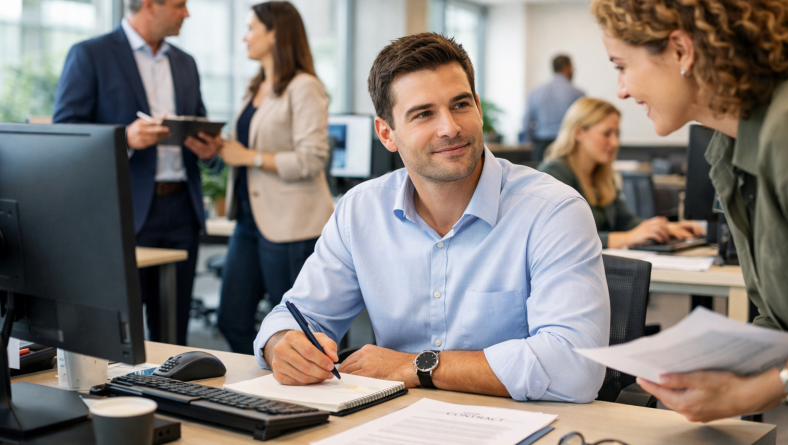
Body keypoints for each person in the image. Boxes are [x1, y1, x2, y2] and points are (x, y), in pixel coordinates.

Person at [256, 33, 610, 403]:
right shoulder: (360, 210)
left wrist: (415, 367)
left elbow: (575, 369)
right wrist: (282, 346)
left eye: (460, 105)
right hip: (391, 425)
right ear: (386, 134)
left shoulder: (551, 210)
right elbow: (296, 316)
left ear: (478, 107)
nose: (450, 127)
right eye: (424, 113)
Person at [592, 0, 788, 422]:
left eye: (621, 66)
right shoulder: (727, 144)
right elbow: (782, 318)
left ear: (681, 51)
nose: (622, 90)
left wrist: (756, 392)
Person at [52, 0, 221, 345]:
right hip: (124, 212)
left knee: (174, 330)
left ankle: (171, 397)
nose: (186, 14)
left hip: (182, 211)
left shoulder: (185, 63)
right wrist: (125, 138)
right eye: (178, 5)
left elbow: (199, 124)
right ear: (148, 5)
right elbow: (66, 135)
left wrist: (207, 148)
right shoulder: (90, 54)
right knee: (120, 332)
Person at [216, 1, 333, 355]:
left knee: (299, 332)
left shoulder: (304, 86)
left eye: (251, 28)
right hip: (249, 220)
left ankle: (300, 397)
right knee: (231, 319)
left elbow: (312, 158)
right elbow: (247, 147)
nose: (244, 36)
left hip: (291, 224)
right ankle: (262, 386)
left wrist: (249, 157)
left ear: (275, 33)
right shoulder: (256, 87)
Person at [539, 97, 702, 248]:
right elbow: (566, 239)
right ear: (579, 132)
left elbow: (625, 221)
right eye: (607, 133)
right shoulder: (555, 171)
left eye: (616, 134)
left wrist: (663, 227)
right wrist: (627, 238)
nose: (615, 142)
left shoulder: (600, 175)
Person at [523, 55, 585, 163]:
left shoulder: (535, 92)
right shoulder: (577, 94)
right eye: (572, 67)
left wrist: (535, 141)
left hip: (542, 146)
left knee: (540, 178)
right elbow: (584, 122)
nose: (573, 71)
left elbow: (526, 123)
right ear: (566, 67)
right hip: (568, 146)